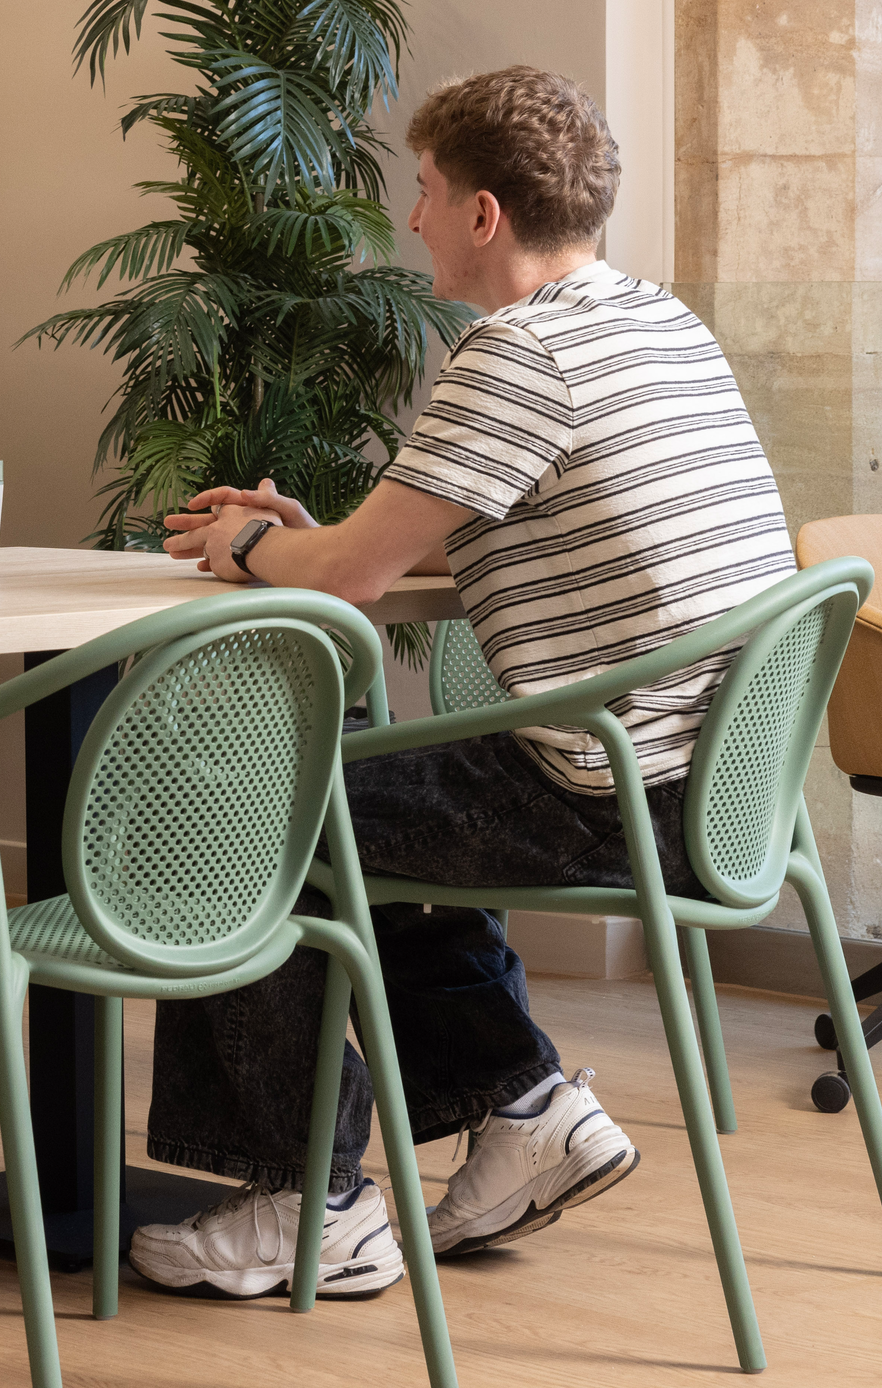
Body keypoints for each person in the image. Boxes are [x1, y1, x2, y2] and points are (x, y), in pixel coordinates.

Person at [126, 67, 797, 1302]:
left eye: (426, 190)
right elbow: (421, 537)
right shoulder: (656, 321)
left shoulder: (521, 352)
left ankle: (306, 1202)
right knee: (372, 804)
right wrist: (319, 538)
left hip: (611, 790)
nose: (413, 215)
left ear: (484, 214)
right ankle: (522, 1105)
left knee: (247, 817)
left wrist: (253, 544)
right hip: (713, 785)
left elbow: (350, 580)